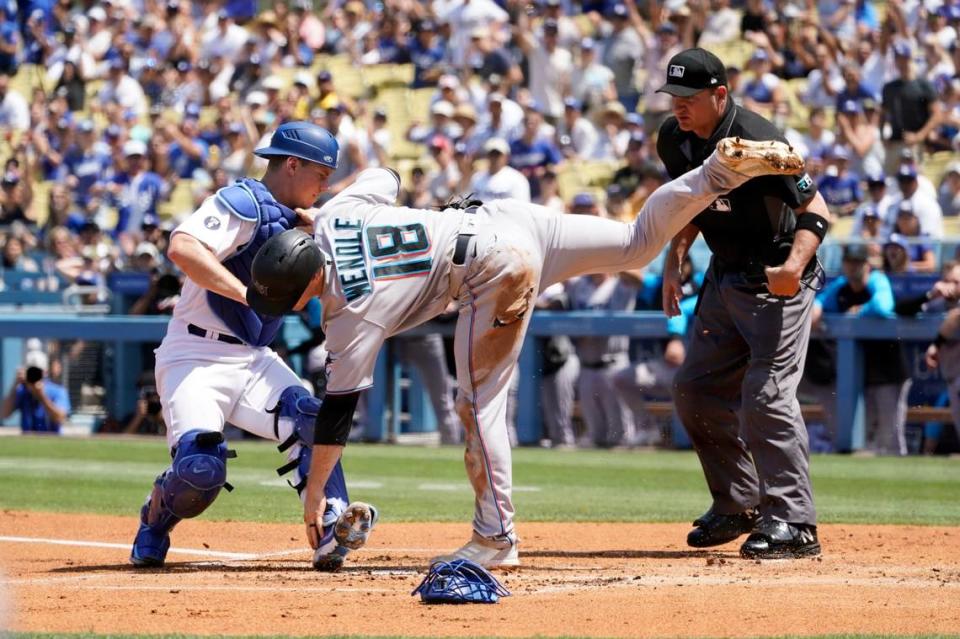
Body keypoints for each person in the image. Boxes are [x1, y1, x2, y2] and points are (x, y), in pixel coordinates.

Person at [244, 136, 806, 568]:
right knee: (638, 241)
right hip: (506, 217)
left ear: (299, 285)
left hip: (492, 272)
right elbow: (385, 175)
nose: (288, 307)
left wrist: (314, 491)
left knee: (478, 406)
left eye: (284, 298)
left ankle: (495, 538)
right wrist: (326, 216)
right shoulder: (339, 213)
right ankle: (716, 173)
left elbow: (338, 412)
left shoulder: (349, 313)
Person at [128, 121, 377, 572]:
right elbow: (182, 248)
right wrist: (247, 294)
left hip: (254, 358)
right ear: (293, 165)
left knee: (312, 419)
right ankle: (154, 519)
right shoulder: (242, 203)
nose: (326, 184)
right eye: (321, 173)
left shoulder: (306, 220)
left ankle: (330, 525)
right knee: (199, 470)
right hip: (195, 356)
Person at [657, 48, 831, 559]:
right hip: (724, 275)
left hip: (778, 278)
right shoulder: (674, 138)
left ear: (720, 94)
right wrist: (676, 257)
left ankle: (795, 522)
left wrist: (794, 268)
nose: (679, 107)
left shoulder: (760, 137)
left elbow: (815, 208)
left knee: (766, 395)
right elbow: (689, 202)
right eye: (673, 97)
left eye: (689, 98)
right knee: (695, 389)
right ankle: (736, 503)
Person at [0, 348, 70, 433]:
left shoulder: (57, 391)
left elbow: (60, 418)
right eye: (31, 371)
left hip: (52, 442)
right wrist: (15, 384)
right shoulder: (22, 391)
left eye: (37, 372)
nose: (34, 375)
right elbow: (3, 414)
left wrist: (42, 396)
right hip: (27, 442)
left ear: (45, 372)